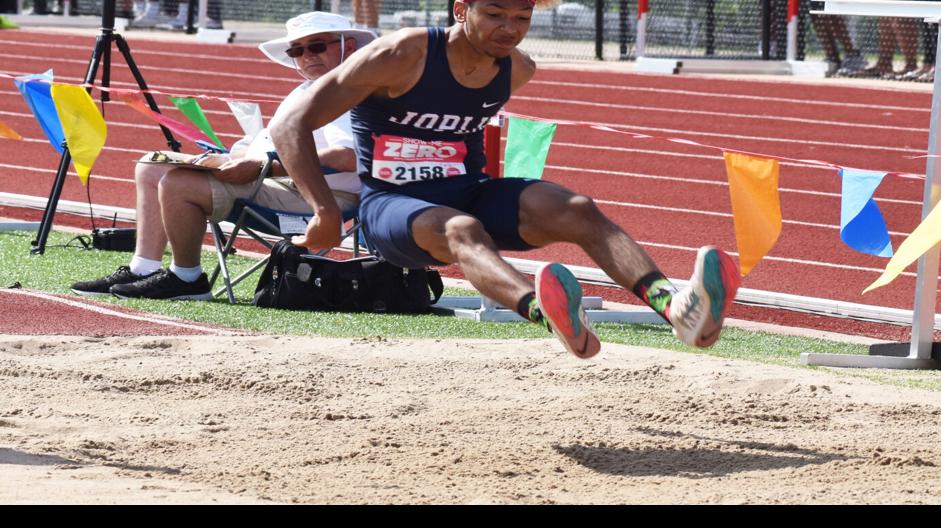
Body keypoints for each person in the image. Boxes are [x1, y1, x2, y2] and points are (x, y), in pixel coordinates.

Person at [271, 0, 738, 359]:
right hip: (391, 208)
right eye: (494, 13)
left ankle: (676, 309)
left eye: (522, 16)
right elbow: (289, 126)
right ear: (461, 10)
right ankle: (547, 313)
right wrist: (325, 210)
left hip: (470, 193)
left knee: (576, 209)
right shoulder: (402, 53)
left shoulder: (517, 69)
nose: (509, 28)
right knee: (461, 229)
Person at [74, 12, 373, 299]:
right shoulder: (308, 89)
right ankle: (144, 268)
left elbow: (346, 157)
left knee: (178, 183)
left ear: (347, 45)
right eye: (297, 50)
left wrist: (263, 167)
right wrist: (234, 157)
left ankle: (187, 278)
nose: (307, 55)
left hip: (319, 197)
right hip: (275, 182)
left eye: (317, 45)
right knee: (151, 167)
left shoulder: (347, 91)